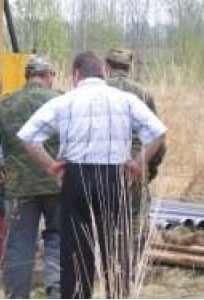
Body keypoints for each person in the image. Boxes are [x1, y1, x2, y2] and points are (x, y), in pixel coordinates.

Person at [18, 51, 167, 299]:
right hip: (113, 178)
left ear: (76, 75)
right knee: (115, 252)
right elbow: (158, 132)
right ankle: (118, 294)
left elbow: (27, 136)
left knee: (76, 256)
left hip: (77, 178)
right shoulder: (125, 100)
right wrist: (138, 163)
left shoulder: (64, 101)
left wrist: (51, 166)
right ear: (104, 73)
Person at [0, 55, 61, 298]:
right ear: (47, 76)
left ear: (27, 76)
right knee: (58, 239)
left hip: (19, 189)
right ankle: (57, 292)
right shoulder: (60, 101)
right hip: (57, 185)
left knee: (19, 246)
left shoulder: (5, 104)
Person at [105, 48, 167, 258]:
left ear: (107, 66)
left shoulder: (97, 91)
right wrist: (150, 167)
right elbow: (158, 137)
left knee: (101, 215)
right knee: (135, 219)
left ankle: (103, 266)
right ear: (129, 68)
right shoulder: (143, 94)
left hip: (101, 164)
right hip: (136, 163)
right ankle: (130, 268)